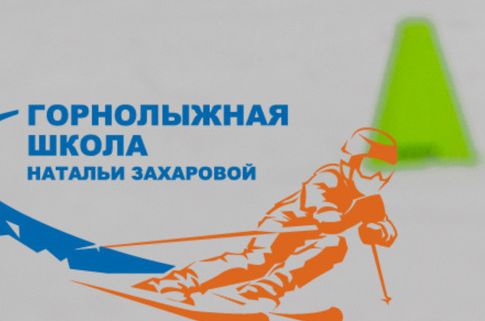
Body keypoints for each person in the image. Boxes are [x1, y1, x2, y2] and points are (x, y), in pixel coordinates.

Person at [133, 128, 399, 308]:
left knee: (333, 246)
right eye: (369, 169)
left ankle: (264, 290)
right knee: (257, 261)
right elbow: (320, 201)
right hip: (286, 225)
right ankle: (173, 282)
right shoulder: (329, 177)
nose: (377, 179)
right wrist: (332, 214)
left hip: (317, 236)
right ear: (348, 163)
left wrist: (379, 231)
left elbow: (385, 228)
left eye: (385, 172)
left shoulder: (371, 201)